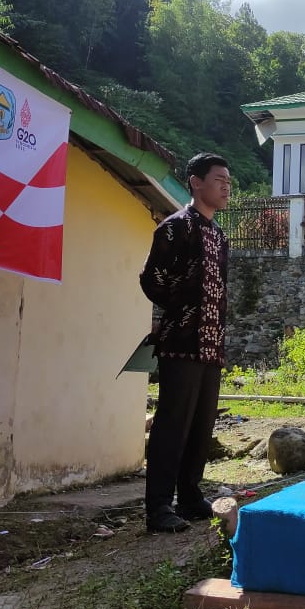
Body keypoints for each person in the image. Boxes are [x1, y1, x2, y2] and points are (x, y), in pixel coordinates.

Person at [138, 153, 232, 532]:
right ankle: (158, 507)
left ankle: (190, 497)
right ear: (195, 182)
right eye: (219, 179)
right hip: (181, 341)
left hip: (212, 345)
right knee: (171, 424)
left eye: (228, 181)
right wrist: (180, 307)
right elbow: (150, 279)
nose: (226, 186)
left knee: (200, 425)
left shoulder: (219, 235)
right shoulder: (176, 227)